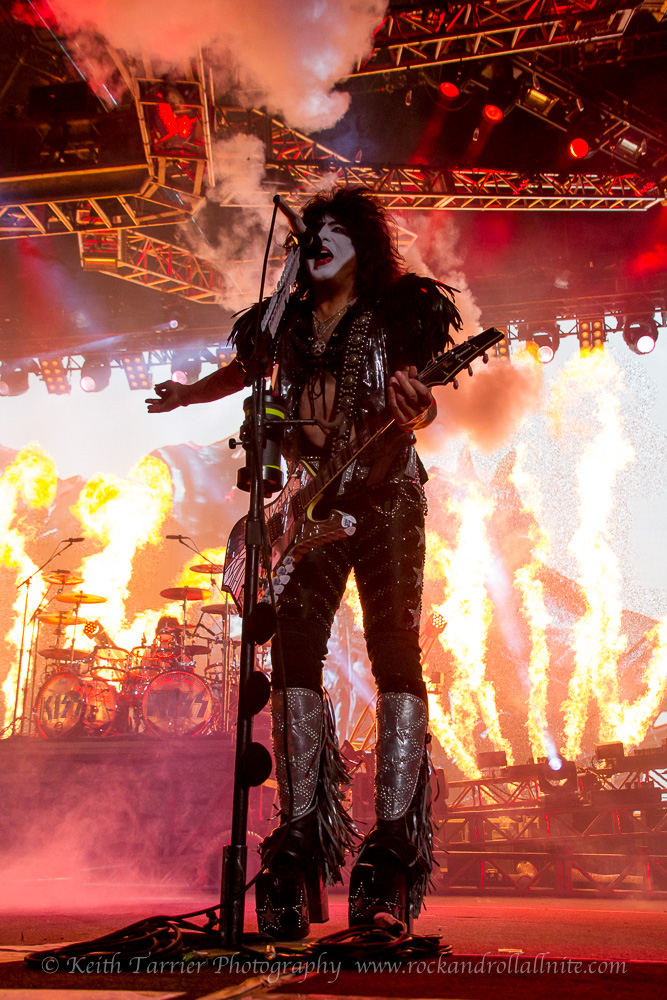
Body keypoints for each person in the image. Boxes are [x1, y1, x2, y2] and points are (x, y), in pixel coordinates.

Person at [147, 187, 461, 938]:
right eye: (311, 230)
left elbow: (421, 395)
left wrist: (416, 405)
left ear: (363, 244)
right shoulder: (282, 320)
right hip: (310, 506)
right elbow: (244, 370)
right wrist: (188, 394)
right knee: (290, 654)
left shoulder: (398, 310)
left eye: (336, 229)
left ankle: (390, 842)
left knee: (393, 653)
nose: (319, 239)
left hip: (385, 499)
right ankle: (298, 836)